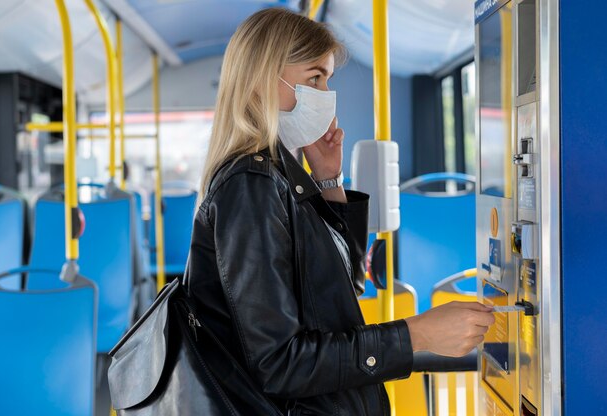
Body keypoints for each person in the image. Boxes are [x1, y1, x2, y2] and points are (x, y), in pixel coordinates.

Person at [187, 7, 494, 415]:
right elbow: (280, 363)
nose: (325, 93)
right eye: (314, 77)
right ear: (261, 80)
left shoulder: (281, 175)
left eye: (327, 79)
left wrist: (329, 180)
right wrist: (415, 335)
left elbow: (343, 290)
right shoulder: (251, 185)